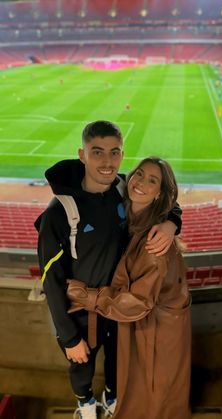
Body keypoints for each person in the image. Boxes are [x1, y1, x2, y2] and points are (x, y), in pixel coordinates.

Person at [35, 122, 182, 419]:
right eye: (97, 152)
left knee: (118, 361)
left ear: (122, 155)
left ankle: (111, 398)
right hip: (80, 312)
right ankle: (86, 403)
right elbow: (51, 281)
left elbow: (165, 201)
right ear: (82, 154)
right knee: (81, 365)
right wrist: (68, 338)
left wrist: (171, 223)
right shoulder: (58, 212)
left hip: (119, 306)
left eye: (114, 153)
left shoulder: (122, 187)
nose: (107, 162)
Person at [67, 156, 191, 419]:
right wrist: (173, 221)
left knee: (150, 389)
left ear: (160, 194)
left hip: (152, 324)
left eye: (152, 180)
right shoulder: (124, 198)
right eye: (139, 174)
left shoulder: (153, 245)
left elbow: (136, 303)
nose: (141, 183)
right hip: (133, 318)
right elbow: (72, 171)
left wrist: (86, 296)